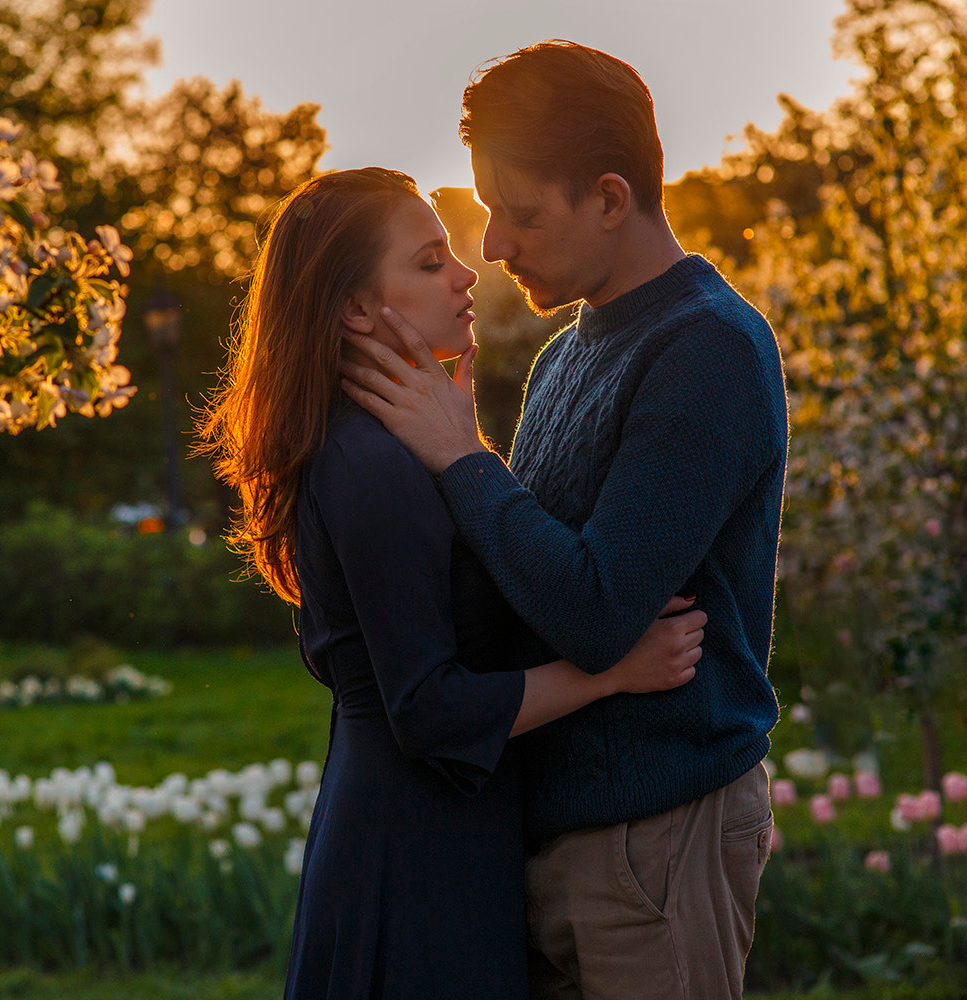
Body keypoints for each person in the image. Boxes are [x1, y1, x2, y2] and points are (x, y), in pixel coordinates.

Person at [339, 43, 789, 1000]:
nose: (494, 245)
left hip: (658, 832)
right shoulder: (563, 357)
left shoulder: (707, 348)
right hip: (553, 837)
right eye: (490, 211)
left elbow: (595, 610)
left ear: (612, 198)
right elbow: (532, 586)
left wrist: (463, 458)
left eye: (522, 213)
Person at [198, 166, 708, 1000]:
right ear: (358, 309)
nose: (469, 272)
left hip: (443, 829)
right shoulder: (367, 466)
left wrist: (464, 452)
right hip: (416, 848)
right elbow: (429, 707)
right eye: (431, 262)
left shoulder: (399, 447)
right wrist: (612, 670)